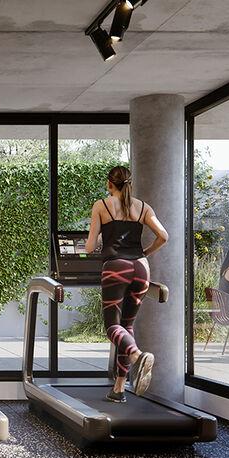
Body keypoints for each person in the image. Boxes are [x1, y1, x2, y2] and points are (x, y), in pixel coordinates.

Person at [85, 165, 169, 403]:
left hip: (116, 267)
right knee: (127, 327)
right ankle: (119, 389)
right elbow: (164, 236)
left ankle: (137, 356)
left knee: (112, 327)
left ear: (109, 184)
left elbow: (90, 247)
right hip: (141, 268)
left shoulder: (101, 206)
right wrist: (145, 252)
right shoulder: (143, 207)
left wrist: (101, 239)